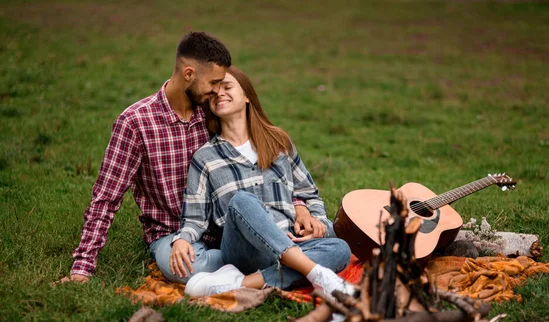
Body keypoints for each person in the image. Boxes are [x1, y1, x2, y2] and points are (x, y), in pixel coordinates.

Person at [62, 32, 322, 284]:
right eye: (213, 84)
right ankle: (272, 264)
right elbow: (106, 198)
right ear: (189, 74)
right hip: (172, 233)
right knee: (187, 269)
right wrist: (82, 269)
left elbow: (261, 168)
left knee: (325, 237)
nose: (217, 93)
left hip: (225, 231)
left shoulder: (211, 116)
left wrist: (298, 204)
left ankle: (255, 264)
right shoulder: (136, 123)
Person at [169, 66, 353, 296]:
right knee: (242, 200)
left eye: (227, 87)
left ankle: (241, 284)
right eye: (213, 93)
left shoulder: (278, 142)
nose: (220, 94)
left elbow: (308, 193)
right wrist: (182, 239)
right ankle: (318, 274)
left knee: (341, 249)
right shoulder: (205, 157)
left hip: (292, 240)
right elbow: (194, 217)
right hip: (244, 251)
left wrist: (315, 220)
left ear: (247, 96)